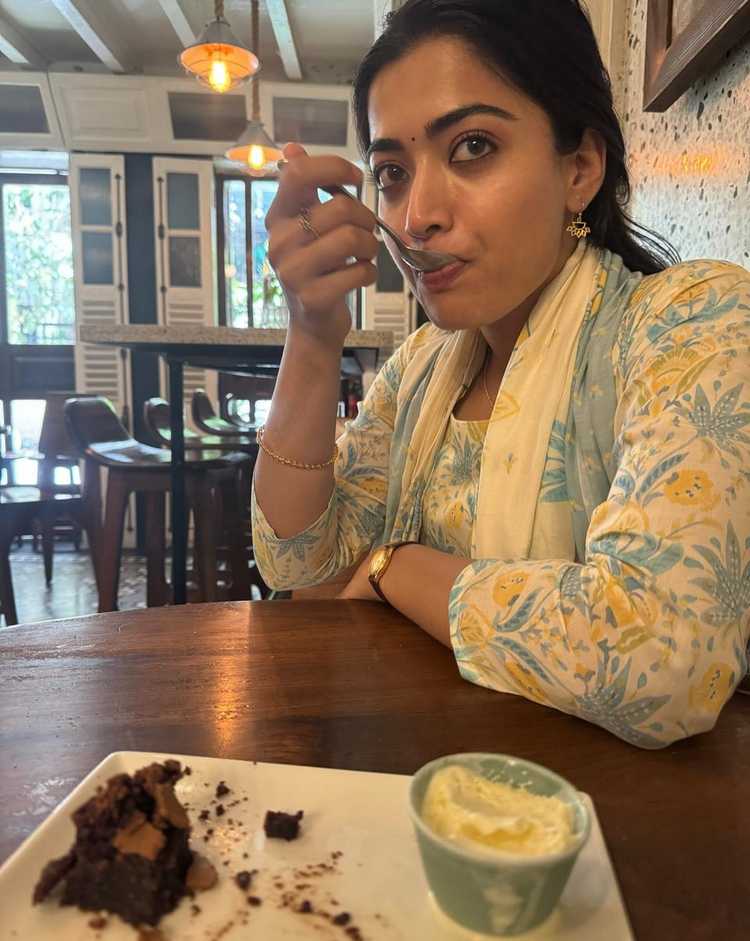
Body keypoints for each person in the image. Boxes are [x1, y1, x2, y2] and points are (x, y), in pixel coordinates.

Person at [251, 0, 750, 748]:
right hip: (429, 780)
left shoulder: (690, 325)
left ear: (580, 168)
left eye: (473, 147)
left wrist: (395, 566)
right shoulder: (420, 369)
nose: (416, 215)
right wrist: (313, 336)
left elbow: (657, 661)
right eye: (391, 173)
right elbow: (300, 564)